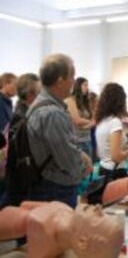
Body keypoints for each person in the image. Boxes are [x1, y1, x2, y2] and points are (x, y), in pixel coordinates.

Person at [26, 54, 92, 208]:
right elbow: (69, 162)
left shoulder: (41, 105)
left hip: (47, 185)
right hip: (55, 189)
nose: (74, 82)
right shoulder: (52, 114)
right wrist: (84, 170)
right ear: (60, 81)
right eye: (72, 76)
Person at [0, 73, 41, 207]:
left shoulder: (19, 109)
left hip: (15, 172)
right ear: (30, 95)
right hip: (18, 173)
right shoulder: (22, 115)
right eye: (40, 92)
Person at [95, 83, 128, 178]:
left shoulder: (101, 121)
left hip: (104, 168)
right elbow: (115, 157)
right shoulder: (115, 122)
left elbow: (100, 151)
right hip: (115, 172)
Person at [65, 77, 95, 158]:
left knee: (89, 168)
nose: (87, 88)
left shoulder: (86, 101)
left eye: (87, 85)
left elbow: (94, 119)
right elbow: (77, 120)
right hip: (76, 141)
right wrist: (90, 123)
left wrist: (89, 123)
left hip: (87, 139)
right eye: (85, 85)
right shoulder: (70, 100)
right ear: (78, 86)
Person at [0, 73, 17, 149]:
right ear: (6, 84)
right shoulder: (1, 102)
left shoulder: (7, 103)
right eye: (15, 85)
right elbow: (3, 128)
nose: (17, 89)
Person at [88, 92, 99, 162]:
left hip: (96, 138)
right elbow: (92, 123)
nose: (97, 103)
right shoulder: (89, 112)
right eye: (96, 101)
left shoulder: (96, 111)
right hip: (91, 138)